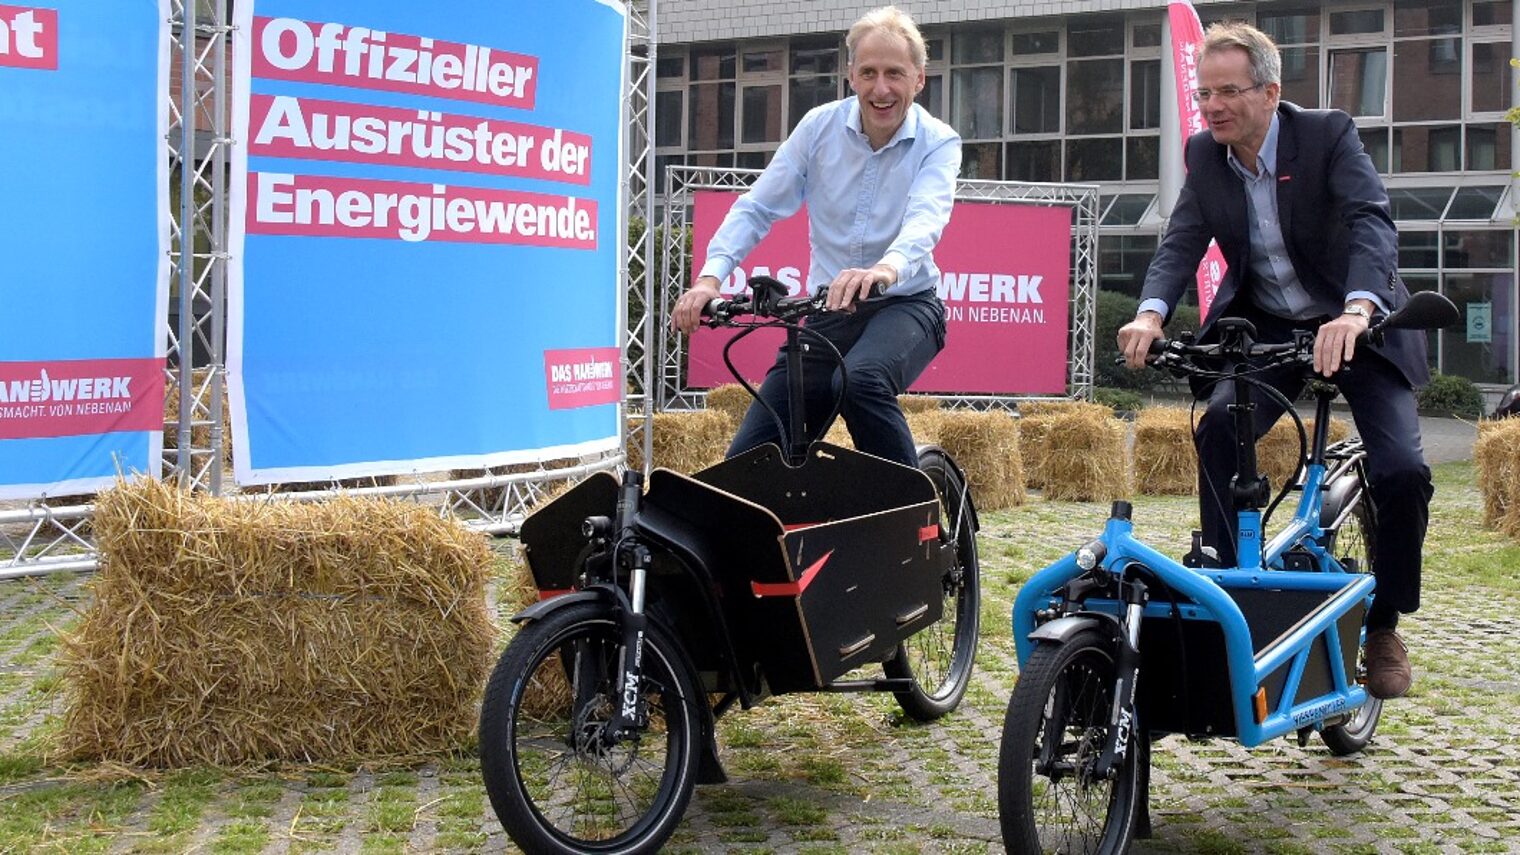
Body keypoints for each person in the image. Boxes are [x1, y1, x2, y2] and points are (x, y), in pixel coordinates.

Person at [1116, 22, 1431, 700]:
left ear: (1270, 91)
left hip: (1359, 324)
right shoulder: (1206, 156)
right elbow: (1181, 243)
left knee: (1403, 470)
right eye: (1205, 94)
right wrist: (1149, 311)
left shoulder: (1327, 134)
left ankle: (1384, 623)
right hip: (1271, 328)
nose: (1214, 106)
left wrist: (1356, 309)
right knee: (1216, 430)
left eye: (1229, 91)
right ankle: (1233, 598)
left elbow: (1372, 221)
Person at [671, 5, 960, 470]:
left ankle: (912, 517)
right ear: (850, 76)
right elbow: (758, 206)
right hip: (830, 311)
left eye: (894, 74)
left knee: (860, 380)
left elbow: (926, 219)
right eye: (868, 72)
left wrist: (885, 269)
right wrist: (709, 279)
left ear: (919, 80)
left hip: (907, 303)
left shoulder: (939, 141)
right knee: (752, 460)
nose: (880, 89)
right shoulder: (819, 128)